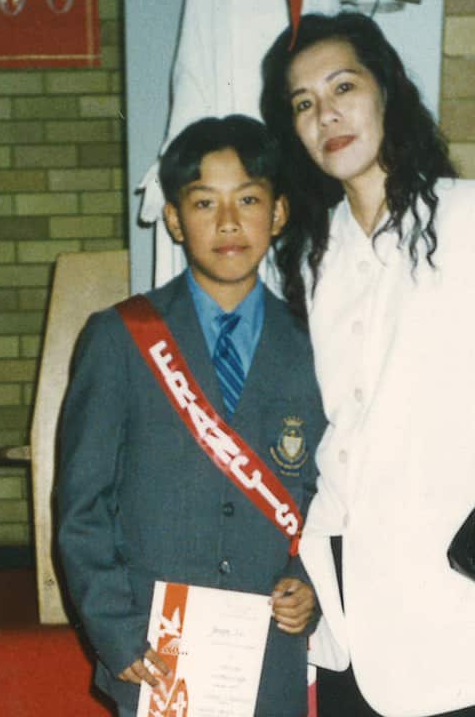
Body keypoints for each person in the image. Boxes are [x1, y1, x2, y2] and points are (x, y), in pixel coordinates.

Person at [258, 12, 475, 717]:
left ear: (386, 89)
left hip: (460, 603)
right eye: (303, 104)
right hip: (354, 609)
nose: (327, 115)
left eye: (343, 86)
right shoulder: (307, 259)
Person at [56, 114, 327, 717]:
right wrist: (116, 631)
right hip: (155, 643)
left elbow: (331, 491)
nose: (229, 222)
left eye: (249, 199)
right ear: (175, 218)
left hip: (267, 643)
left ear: (278, 213)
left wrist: (309, 581)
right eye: (205, 202)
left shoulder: (312, 345)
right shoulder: (123, 337)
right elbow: (83, 506)